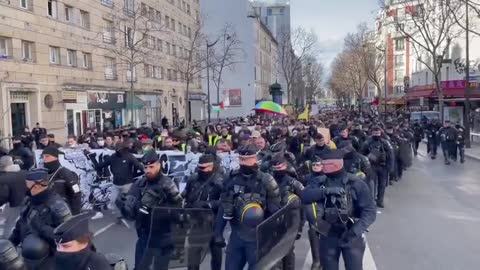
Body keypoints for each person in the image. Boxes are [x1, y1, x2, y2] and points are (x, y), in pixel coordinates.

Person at [301, 149, 376, 270]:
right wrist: (325, 192)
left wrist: (355, 231)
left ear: (336, 164)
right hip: (328, 234)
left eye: (325, 164)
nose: (322, 167)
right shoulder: (320, 182)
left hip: (351, 235)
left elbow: (370, 211)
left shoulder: (356, 183)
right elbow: (305, 196)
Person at [215, 144, 281, 270]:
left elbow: (276, 211)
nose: (245, 162)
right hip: (237, 234)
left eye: (248, 159)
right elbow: (224, 205)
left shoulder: (266, 180)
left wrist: (274, 237)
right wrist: (218, 232)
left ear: (255, 159)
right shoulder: (231, 178)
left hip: (258, 236)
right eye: (242, 159)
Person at [115, 150, 182, 270]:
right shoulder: (139, 184)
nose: (148, 170)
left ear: (159, 165)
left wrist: (159, 209)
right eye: (145, 167)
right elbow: (131, 215)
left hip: (164, 236)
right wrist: (122, 205)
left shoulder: (168, 184)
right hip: (144, 235)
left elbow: (179, 210)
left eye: (151, 167)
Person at [9, 168, 72, 270]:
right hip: (28, 258)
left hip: (49, 261)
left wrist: (42, 227)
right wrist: (10, 244)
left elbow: (68, 239)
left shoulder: (58, 207)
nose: (25, 186)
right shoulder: (29, 200)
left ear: (38, 185)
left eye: (27, 183)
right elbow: (21, 224)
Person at [182, 154, 224, 270]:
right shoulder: (193, 179)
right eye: (199, 167)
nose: (201, 170)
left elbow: (225, 201)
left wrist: (208, 204)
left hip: (213, 221)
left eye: (204, 168)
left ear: (212, 167)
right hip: (196, 221)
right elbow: (186, 194)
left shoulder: (219, 181)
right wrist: (185, 202)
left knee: (216, 252)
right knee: (193, 253)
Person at [93, 141, 144, 223]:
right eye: (116, 149)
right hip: (116, 184)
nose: (118, 150)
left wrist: (143, 172)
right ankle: (120, 216)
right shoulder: (113, 157)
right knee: (114, 200)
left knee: (127, 201)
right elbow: (103, 164)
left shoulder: (129, 156)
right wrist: (96, 167)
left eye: (119, 149)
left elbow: (138, 166)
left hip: (127, 184)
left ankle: (129, 215)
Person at [270, 153, 304, 270]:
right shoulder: (268, 181)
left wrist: (299, 227)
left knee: (288, 253)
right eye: (275, 168)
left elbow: (302, 205)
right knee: (273, 255)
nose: (278, 170)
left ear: (285, 166)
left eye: (280, 167)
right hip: (271, 223)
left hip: (289, 223)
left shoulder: (293, 183)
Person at [42, 146, 82, 215]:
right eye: (43, 157)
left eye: (47, 156)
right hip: (50, 212)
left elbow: (76, 193)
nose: (44, 159)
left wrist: (75, 214)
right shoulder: (44, 174)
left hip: (64, 211)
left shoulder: (66, 174)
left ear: (55, 157)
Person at [361, 126, 394, 208]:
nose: (376, 134)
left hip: (383, 166)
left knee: (382, 185)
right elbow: (362, 154)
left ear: (380, 133)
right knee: (372, 185)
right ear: (372, 133)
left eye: (378, 133)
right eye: (375, 133)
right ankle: (371, 201)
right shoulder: (367, 142)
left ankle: (380, 200)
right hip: (371, 166)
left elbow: (391, 154)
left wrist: (390, 166)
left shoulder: (385, 142)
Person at [302, 155, 326, 270]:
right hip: (310, 208)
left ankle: (324, 260)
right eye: (314, 165)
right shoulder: (307, 177)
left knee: (326, 235)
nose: (316, 167)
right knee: (313, 232)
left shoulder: (327, 178)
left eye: (318, 165)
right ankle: (316, 260)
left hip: (325, 208)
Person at [0, 156, 26, 238]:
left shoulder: (3, 178)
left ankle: (7, 240)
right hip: (26, 201)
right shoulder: (24, 173)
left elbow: (3, 195)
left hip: (13, 203)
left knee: (10, 224)